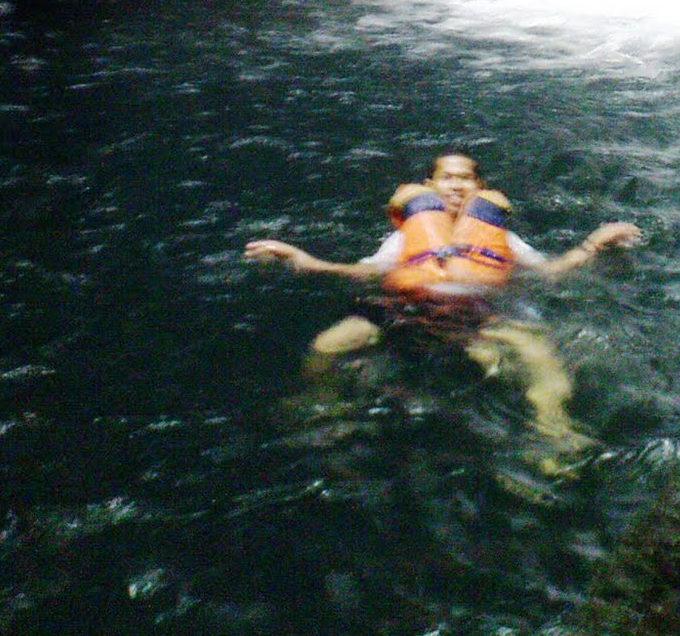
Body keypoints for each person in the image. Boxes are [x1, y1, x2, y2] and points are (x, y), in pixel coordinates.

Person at [245, 152, 642, 454]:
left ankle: (554, 432)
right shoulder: (406, 237)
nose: (456, 186)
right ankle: (323, 403)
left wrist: (593, 243)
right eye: (447, 179)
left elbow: (550, 272)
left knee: (539, 357)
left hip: (479, 312)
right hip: (409, 308)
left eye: (465, 179)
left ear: (478, 185)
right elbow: (365, 272)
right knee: (327, 344)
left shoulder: (504, 239)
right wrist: (306, 261)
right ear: (430, 186)